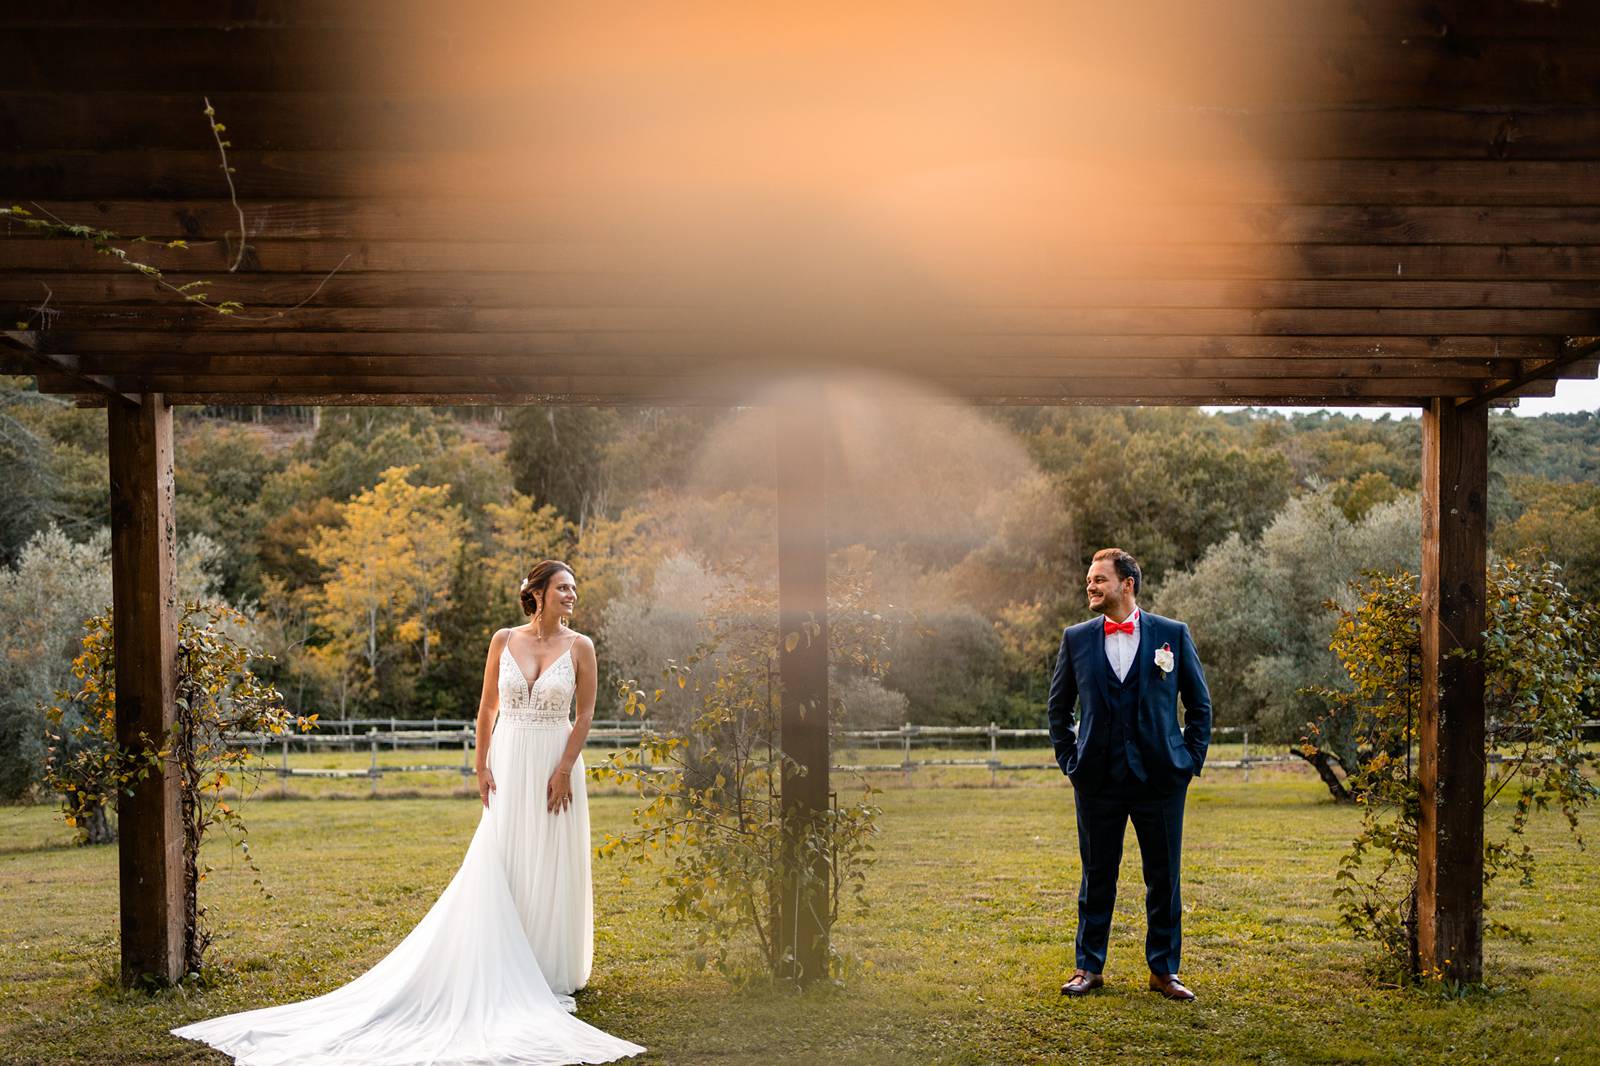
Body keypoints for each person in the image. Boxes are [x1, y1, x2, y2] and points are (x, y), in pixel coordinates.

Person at [171, 560, 645, 1065]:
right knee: (503, 856)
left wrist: (565, 766)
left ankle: (548, 967)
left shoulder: (582, 647)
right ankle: (501, 958)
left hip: (554, 760)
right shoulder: (503, 640)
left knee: (549, 859)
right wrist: (481, 765)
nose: (572, 595)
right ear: (539, 593)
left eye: (574, 588)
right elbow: (487, 708)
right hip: (508, 760)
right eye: (563, 587)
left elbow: (587, 711)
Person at [1047, 548, 1212, 1002]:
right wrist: (1071, 762)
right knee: (1097, 875)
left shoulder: (1172, 635)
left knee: (1164, 877)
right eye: (1089, 580)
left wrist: (1187, 761)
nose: (1091, 587)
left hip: (1160, 779)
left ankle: (1164, 970)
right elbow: (1057, 710)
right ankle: (1088, 967)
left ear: (1127, 584)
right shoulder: (1076, 639)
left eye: (1099, 579)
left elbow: (1200, 706)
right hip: (1097, 780)